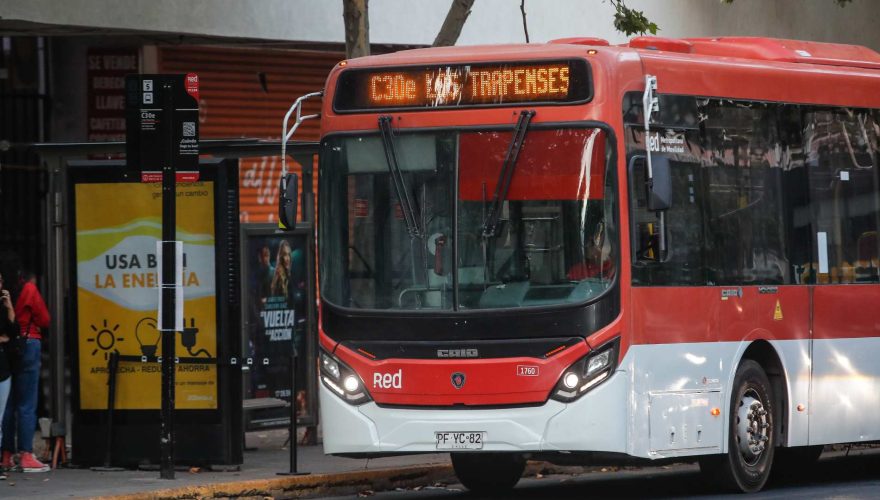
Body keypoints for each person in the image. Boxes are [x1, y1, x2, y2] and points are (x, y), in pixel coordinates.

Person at [1, 271, 50, 473]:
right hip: (28, 342)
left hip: (7, 348)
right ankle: (26, 455)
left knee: (7, 403)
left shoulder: (4, 292)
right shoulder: (28, 289)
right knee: (26, 403)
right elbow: (44, 319)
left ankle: (5, 455)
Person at [0, 273, 15, 480]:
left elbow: (12, 332)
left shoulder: (3, 307)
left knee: (0, 417)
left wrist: (10, 305)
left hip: (3, 369)